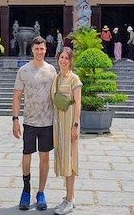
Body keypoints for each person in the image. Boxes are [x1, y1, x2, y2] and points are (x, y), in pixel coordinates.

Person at [12, 36, 57, 211]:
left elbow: (57, 95)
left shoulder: (52, 70)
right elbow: (17, 96)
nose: (39, 51)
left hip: (47, 121)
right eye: (36, 49)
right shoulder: (23, 70)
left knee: (44, 157)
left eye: (42, 49)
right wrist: (15, 120)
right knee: (27, 155)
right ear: (32, 49)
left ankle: (41, 192)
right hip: (29, 121)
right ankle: (25, 190)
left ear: (46, 50)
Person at [51, 47, 82, 215]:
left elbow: (78, 103)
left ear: (70, 61)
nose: (63, 60)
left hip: (70, 123)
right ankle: (70, 196)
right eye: (61, 57)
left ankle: (69, 200)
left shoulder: (74, 79)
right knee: (63, 160)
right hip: (58, 125)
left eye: (66, 58)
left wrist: (75, 126)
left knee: (70, 161)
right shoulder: (56, 78)